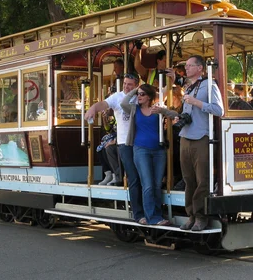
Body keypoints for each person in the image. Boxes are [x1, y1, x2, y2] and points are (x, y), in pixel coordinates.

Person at [153, 55, 224, 231]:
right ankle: (191, 215)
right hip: (185, 137)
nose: (187, 68)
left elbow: (219, 110)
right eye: (186, 65)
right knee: (188, 180)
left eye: (190, 65)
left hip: (201, 138)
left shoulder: (209, 85)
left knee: (202, 180)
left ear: (200, 68)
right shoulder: (188, 87)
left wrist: (198, 103)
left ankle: (201, 217)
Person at [84, 73, 144, 222]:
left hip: (141, 142)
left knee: (145, 177)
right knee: (133, 177)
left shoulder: (140, 97)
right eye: (125, 83)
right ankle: (138, 213)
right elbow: (103, 104)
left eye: (129, 84)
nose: (126, 86)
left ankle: (147, 210)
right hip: (125, 143)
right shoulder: (117, 97)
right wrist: (93, 108)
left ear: (136, 84)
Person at [120, 84, 170, 226]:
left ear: (149, 97)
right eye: (138, 94)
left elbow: (173, 114)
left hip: (158, 150)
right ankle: (152, 217)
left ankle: (158, 215)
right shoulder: (135, 109)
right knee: (147, 184)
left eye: (142, 94)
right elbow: (123, 103)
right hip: (141, 149)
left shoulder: (157, 109)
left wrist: (164, 111)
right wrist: (135, 90)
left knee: (156, 184)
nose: (139, 96)